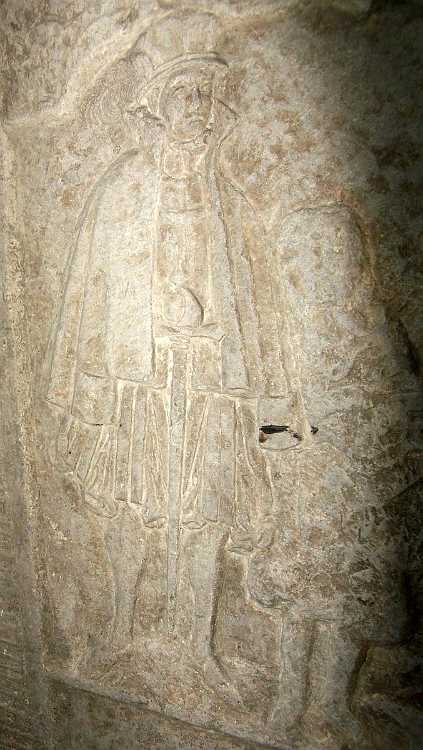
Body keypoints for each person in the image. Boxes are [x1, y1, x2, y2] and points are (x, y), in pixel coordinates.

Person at [45, 9, 287, 693]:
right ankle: (121, 629)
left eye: (205, 95)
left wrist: (271, 412)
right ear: (155, 104)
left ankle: (196, 645)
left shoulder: (230, 202)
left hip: (210, 381)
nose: (197, 107)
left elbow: (262, 313)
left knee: (206, 508)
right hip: (135, 381)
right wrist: (93, 376)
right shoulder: (121, 191)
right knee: (129, 501)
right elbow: (88, 296)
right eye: (183, 92)